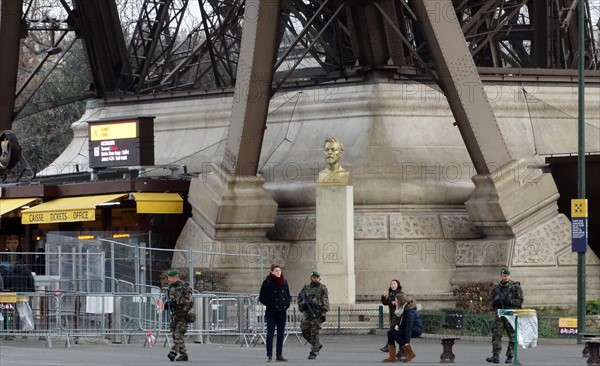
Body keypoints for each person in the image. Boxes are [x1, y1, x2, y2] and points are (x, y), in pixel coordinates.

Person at [486, 266, 523, 364]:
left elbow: (520, 301)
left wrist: (510, 301)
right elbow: (490, 300)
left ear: (509, 276)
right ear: (501, 276)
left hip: (511, 314)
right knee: (496, 334)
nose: (506, 277)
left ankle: (510, 356)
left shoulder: (515, 287)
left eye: (507, 275)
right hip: (499, 314)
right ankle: (496, 355)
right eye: (504, 275)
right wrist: (494, 303)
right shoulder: (496, 287)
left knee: (512, 336)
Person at [259, 264, 291, 362]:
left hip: (282, 312)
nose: (278, 272)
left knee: (281, 334)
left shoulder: (284, 282)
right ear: (272, 271)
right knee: (270, 334)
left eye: (279, 270)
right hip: (271, 313)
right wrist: (271, 305)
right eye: (276, 270)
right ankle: (269, 355)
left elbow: (288, 295)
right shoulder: (267, 282)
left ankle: (279, 355)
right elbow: (262, 298)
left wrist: (286, 305)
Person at [382, 293, 422, 363]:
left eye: (396, 301)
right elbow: (400, 321)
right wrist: (397, 326)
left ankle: (410, 353)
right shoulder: (401, 309)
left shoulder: (409, 311)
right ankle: (392, 357)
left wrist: (407, 341)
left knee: (395, 334)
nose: (395, 302)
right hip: (406, 328)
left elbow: (409, 326)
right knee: (390, 333)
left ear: (400, 301)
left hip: (415, 329)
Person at [299, 271, 329, 360]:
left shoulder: (322, 288)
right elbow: (300, 297)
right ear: (311, 278)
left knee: (314, 333)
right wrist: (302, 305)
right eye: (313, 277)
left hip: (317, 313)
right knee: (304, 331)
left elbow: (326, 301)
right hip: (307, 313)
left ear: (319, 278)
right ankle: (317, 345)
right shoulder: (306, 288)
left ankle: (314, 351)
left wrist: (323, 313)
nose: (315, 279)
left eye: (316, 277)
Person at [165, 270, 193, 362]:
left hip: (183, 315)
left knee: (178, 335)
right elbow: (170, 300)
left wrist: (180, 308)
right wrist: (168, 305)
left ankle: (173, 352)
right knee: (174, 334)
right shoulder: (170, 288)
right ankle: (184, 355)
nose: (168, 279)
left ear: (174, 277)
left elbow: (189, 302)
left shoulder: (184, 287)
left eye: (169, 277)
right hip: (175, 315)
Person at [380, 279, 403, 353]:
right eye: (391, 284)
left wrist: (397, 303)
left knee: (395, 332)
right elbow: (386, 302)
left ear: (398, 285)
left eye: (394, 284)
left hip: (399, 316)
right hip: (392, 316)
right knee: (392, 332)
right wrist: (384, 297)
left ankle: (399, 349)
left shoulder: (401, 293)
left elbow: (404, 302)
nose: (393, 285)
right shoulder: (391, 294)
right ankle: (389, 347)